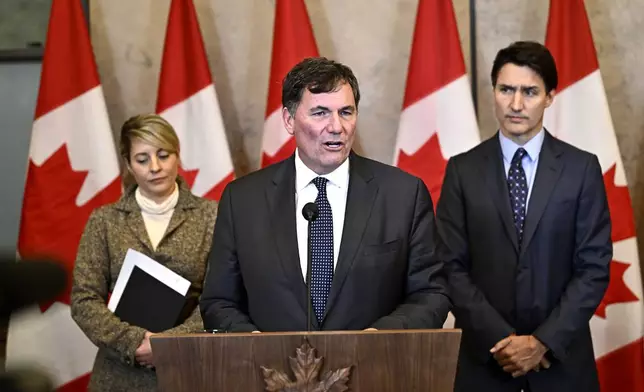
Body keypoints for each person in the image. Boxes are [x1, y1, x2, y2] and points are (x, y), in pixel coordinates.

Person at [200, 57, 450, 332]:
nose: (336, 127)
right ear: (289, 120)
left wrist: (380, 339)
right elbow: (218, 301)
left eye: (346, 112)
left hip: (374, 368)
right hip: (272, 371)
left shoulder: (403, 195)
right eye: (320, 113)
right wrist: (257, 346)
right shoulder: (243, 201)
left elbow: (431, 294)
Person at [436, 41, 612, 392]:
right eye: (506, 90)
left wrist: (542, 342)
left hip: (561, 365)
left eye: (530, 92)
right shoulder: (462, 170)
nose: (516, 104)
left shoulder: (581, 169)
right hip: (485, 365)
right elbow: (449, 266)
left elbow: (593, 266)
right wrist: (502, 340)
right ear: (494, 92)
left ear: (550, 97)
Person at [70, 114, 218, 391]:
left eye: (164, 155)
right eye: (142, 159)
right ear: (127, 164)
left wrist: (166, 346)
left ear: (177, 155)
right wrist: (134, 342)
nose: (155, 167)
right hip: (118, 374)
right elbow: (84, 299)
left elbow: (219, 298)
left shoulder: (213, 215)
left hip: (190, 370)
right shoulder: (104, 220)